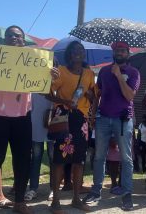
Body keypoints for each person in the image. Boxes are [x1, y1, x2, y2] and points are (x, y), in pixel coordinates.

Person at [0, 25, 59, 214]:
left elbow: (46, 91)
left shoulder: (34, 59)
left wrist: (51, 78)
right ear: (4, 39)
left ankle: (20, 202)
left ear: (24, 40)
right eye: (10, 35)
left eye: (18, 36)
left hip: (22, 116)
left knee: (22, 160)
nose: (14, 38)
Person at [83, 41, 140, 211]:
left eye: (123, 51)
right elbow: (97, 94)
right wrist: (92, 113)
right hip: (102, 118)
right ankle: (96, 190)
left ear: (128, 54)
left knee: (126, 158)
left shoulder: (133, 72)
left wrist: (118, 76)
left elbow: (129, 96)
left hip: (123, 120)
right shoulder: (103, 71)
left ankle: (127, 192)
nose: (120, 53)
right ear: (113, 53)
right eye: (117, 50)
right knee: (99, 156)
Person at [48, 41, 95, 213]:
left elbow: (94, 95)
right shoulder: (61, 72)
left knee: (79, 160)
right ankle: (56, 202)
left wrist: (91, 95)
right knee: (60, 160)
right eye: (74, 50)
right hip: (64, 118)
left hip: (81, 120)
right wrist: (63, 101)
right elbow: (46, 93)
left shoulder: (89, 73)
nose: (78, 52)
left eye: (81, 50)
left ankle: (76, 198)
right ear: (69, 54)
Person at [25, 92, 52, 201]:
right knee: (36, 157)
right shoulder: (34, 78)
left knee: (53, 158)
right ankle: (33, 188)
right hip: (36, 121)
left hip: (53, 119)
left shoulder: (56, 78)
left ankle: (54, 188)